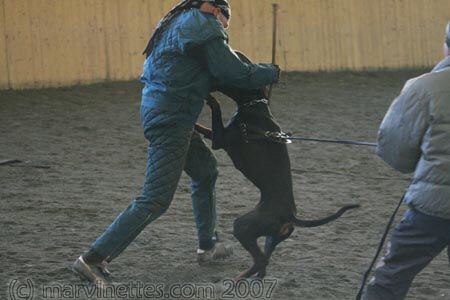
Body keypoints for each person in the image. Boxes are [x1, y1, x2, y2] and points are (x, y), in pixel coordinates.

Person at [72, 0, 280, 284]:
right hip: (172, 117)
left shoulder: (180, 20)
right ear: (217, 11)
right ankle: (92, 259)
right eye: (225, 21)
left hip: (167, 111)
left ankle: (208, 245)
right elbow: (230, 71)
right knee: (156, 199)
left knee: (206, 171)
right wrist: (271, 72)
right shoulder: (203, 25)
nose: (224, 27)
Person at [364, 22, 450, 300]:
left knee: (392, 276)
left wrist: (425, 166)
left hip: (433, 209)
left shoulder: (424, 87)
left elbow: (394, 149)